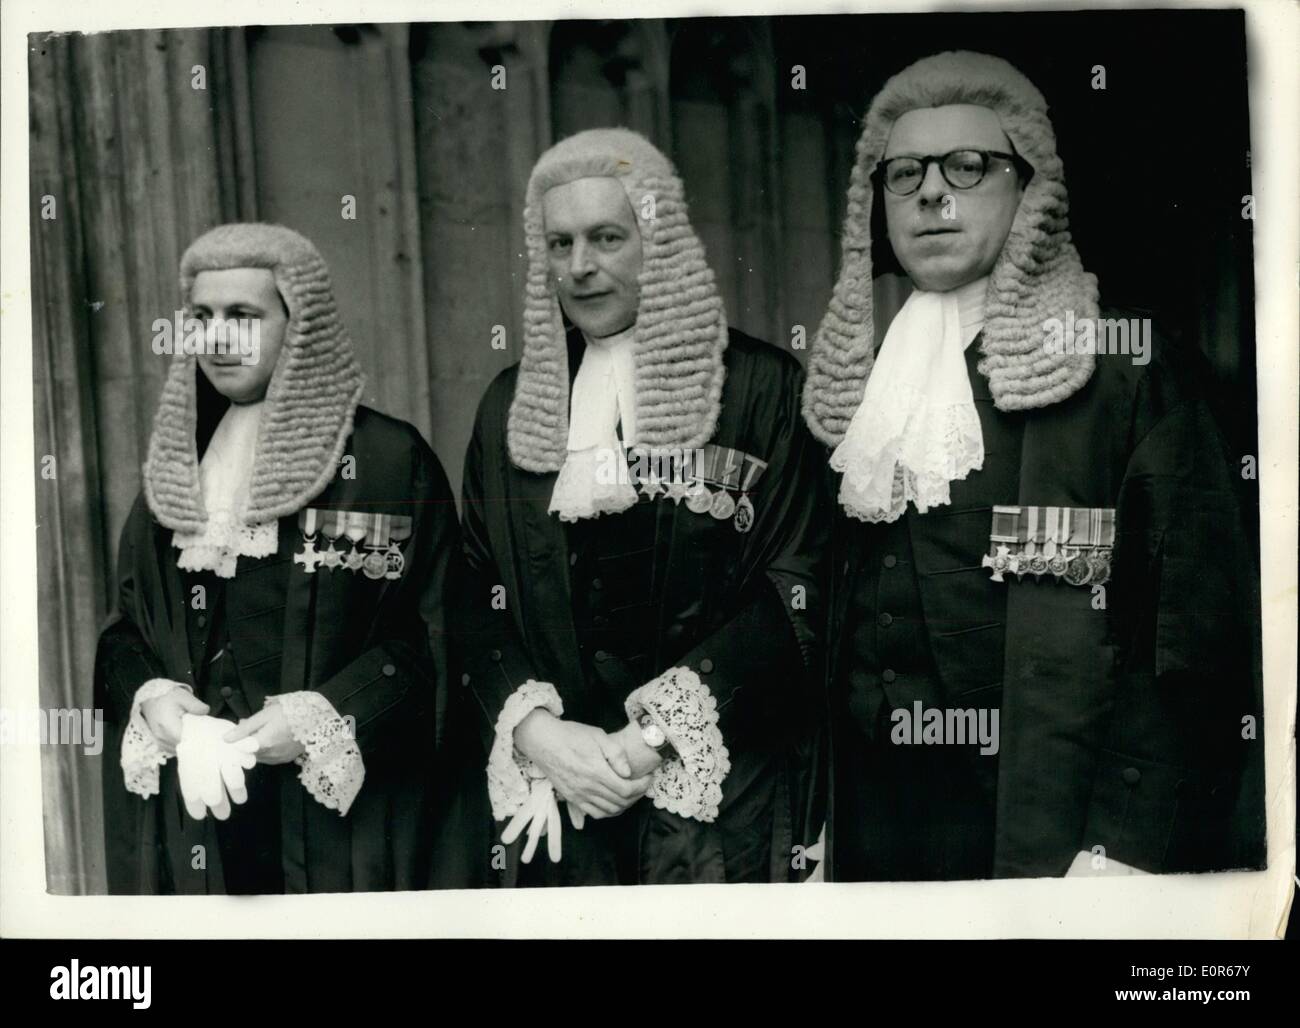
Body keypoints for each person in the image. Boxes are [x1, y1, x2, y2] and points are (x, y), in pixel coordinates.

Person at [802, 51, 1264, 880]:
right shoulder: (858, 386)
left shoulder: (1123, 369)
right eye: (904, 173)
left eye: (968, 167)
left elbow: (1191, 635)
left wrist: (1120, 847)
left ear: (1028, 193)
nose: (932, 193)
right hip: (882, 827)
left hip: (1045, 829)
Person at [456, 128, 827, 886]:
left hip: (719, 805)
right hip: (563, 803)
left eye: (606, 237)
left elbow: (798, 582)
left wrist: (649, 736)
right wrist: (536, 731)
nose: (580, 266)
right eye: (559, 244)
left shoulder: (759, 387)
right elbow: (470, 587)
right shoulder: (511, 405)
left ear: (657, 240)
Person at [94, 223, 459, 893]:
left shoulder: (386, 462)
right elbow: (125, 631)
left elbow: (433, 640)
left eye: (243, 315)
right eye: (202, 317)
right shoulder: (176, 469)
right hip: (199, 824)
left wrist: (327, 714)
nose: (218, 336)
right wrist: (155, 701)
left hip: (338, 834)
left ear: (302, 323)